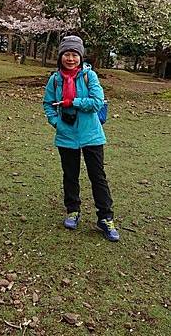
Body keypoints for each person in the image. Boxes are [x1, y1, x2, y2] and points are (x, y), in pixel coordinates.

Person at [43, 35, 119, 242]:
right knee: (70, 175)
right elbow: (48, 103)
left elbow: (96, 102)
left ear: (80, 56)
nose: (70, 58)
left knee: (98, 177)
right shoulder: (55, 79)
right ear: (60, 57)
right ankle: (73, 210)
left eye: (74, 54)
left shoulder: (89, 76)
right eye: (67, 54)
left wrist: (72, 101)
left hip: (91, 135)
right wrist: (55, 122)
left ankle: (105, 217)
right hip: (66, 135)